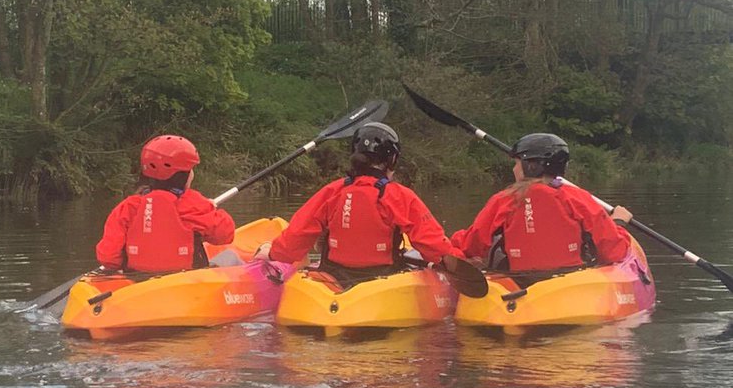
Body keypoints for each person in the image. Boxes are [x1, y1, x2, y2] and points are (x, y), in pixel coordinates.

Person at [255, 122, 465, 283]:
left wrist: (272, 254)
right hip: (382, 278)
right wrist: (458, 262)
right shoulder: (399, 196)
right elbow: (435, 247)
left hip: (334, 277)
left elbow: (297, 235)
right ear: (392, 160)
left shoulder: (333, 191)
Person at [450, 132, 633, 276]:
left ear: (531, 166)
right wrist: (618, 223)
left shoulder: (503, 200)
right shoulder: (578, 198)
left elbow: (471, 245)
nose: (514, 169)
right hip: (572, 283)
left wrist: (452, 242)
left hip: (520, 281)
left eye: (516, 164)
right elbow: (613, 251)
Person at [95, 135, 235, 273]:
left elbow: (108, 257)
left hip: (138, 282)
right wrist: (210, 207)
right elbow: (225, 235)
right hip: (185, 282)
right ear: (183, 175)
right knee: (231, 258)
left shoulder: (128, 207)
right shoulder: (194, 204)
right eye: (191, 169)